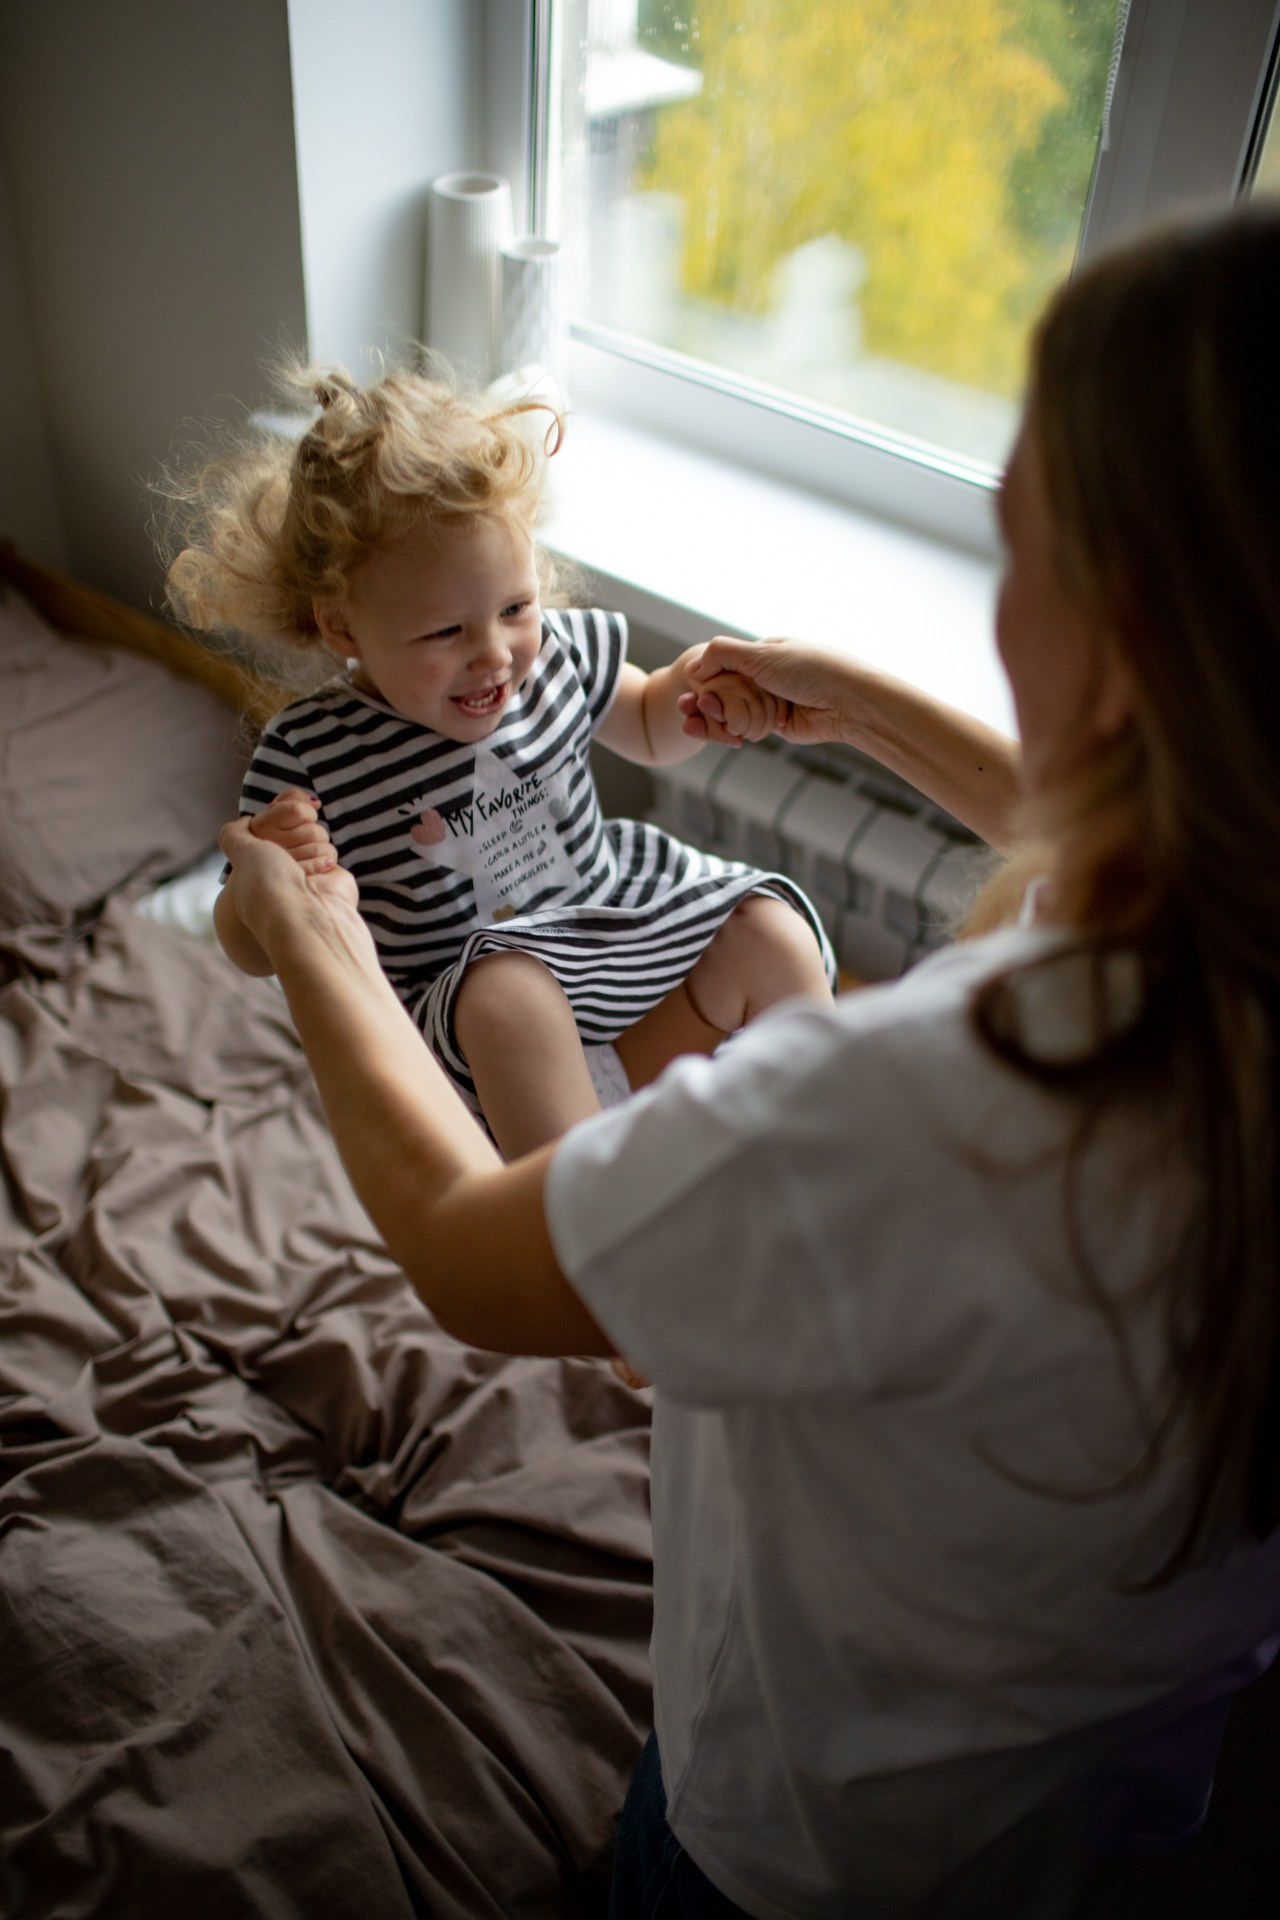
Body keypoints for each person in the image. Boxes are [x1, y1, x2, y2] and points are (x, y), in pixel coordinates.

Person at [215, 199, 1280, 1918]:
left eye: (1017, 546)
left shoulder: (905, 1108)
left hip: (814, 1842)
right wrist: (852, 703)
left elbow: (472, 1261)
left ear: (1127, 632)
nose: (495, 653)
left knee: (733, 942)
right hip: (1119, 1795)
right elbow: (1105, 831)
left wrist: (309, 941)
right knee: (517, 999)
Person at [165, 368, 834, 1157]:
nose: (493, 656)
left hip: (614, 965)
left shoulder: (555, 655)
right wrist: (267, 883)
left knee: (768, 930)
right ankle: (583, 1231)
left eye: (515, 608)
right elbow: (244, 946)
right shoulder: (313, 753)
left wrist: (699, 695)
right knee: (508, 991)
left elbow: (653, 723)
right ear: (343, 626)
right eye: (445, 633)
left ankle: (832, 1152)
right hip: (489, 1064)